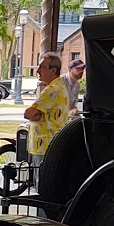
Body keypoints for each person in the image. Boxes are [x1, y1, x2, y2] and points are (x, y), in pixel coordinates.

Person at [24, 51, 71, 190]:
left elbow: (28, 113)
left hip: (44, 145)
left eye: (42, 67)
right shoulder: (60, 86)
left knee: (42, 187)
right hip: (49, 144)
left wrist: (35, 115)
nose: (38, 71)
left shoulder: (51, 89)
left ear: (53, 70)